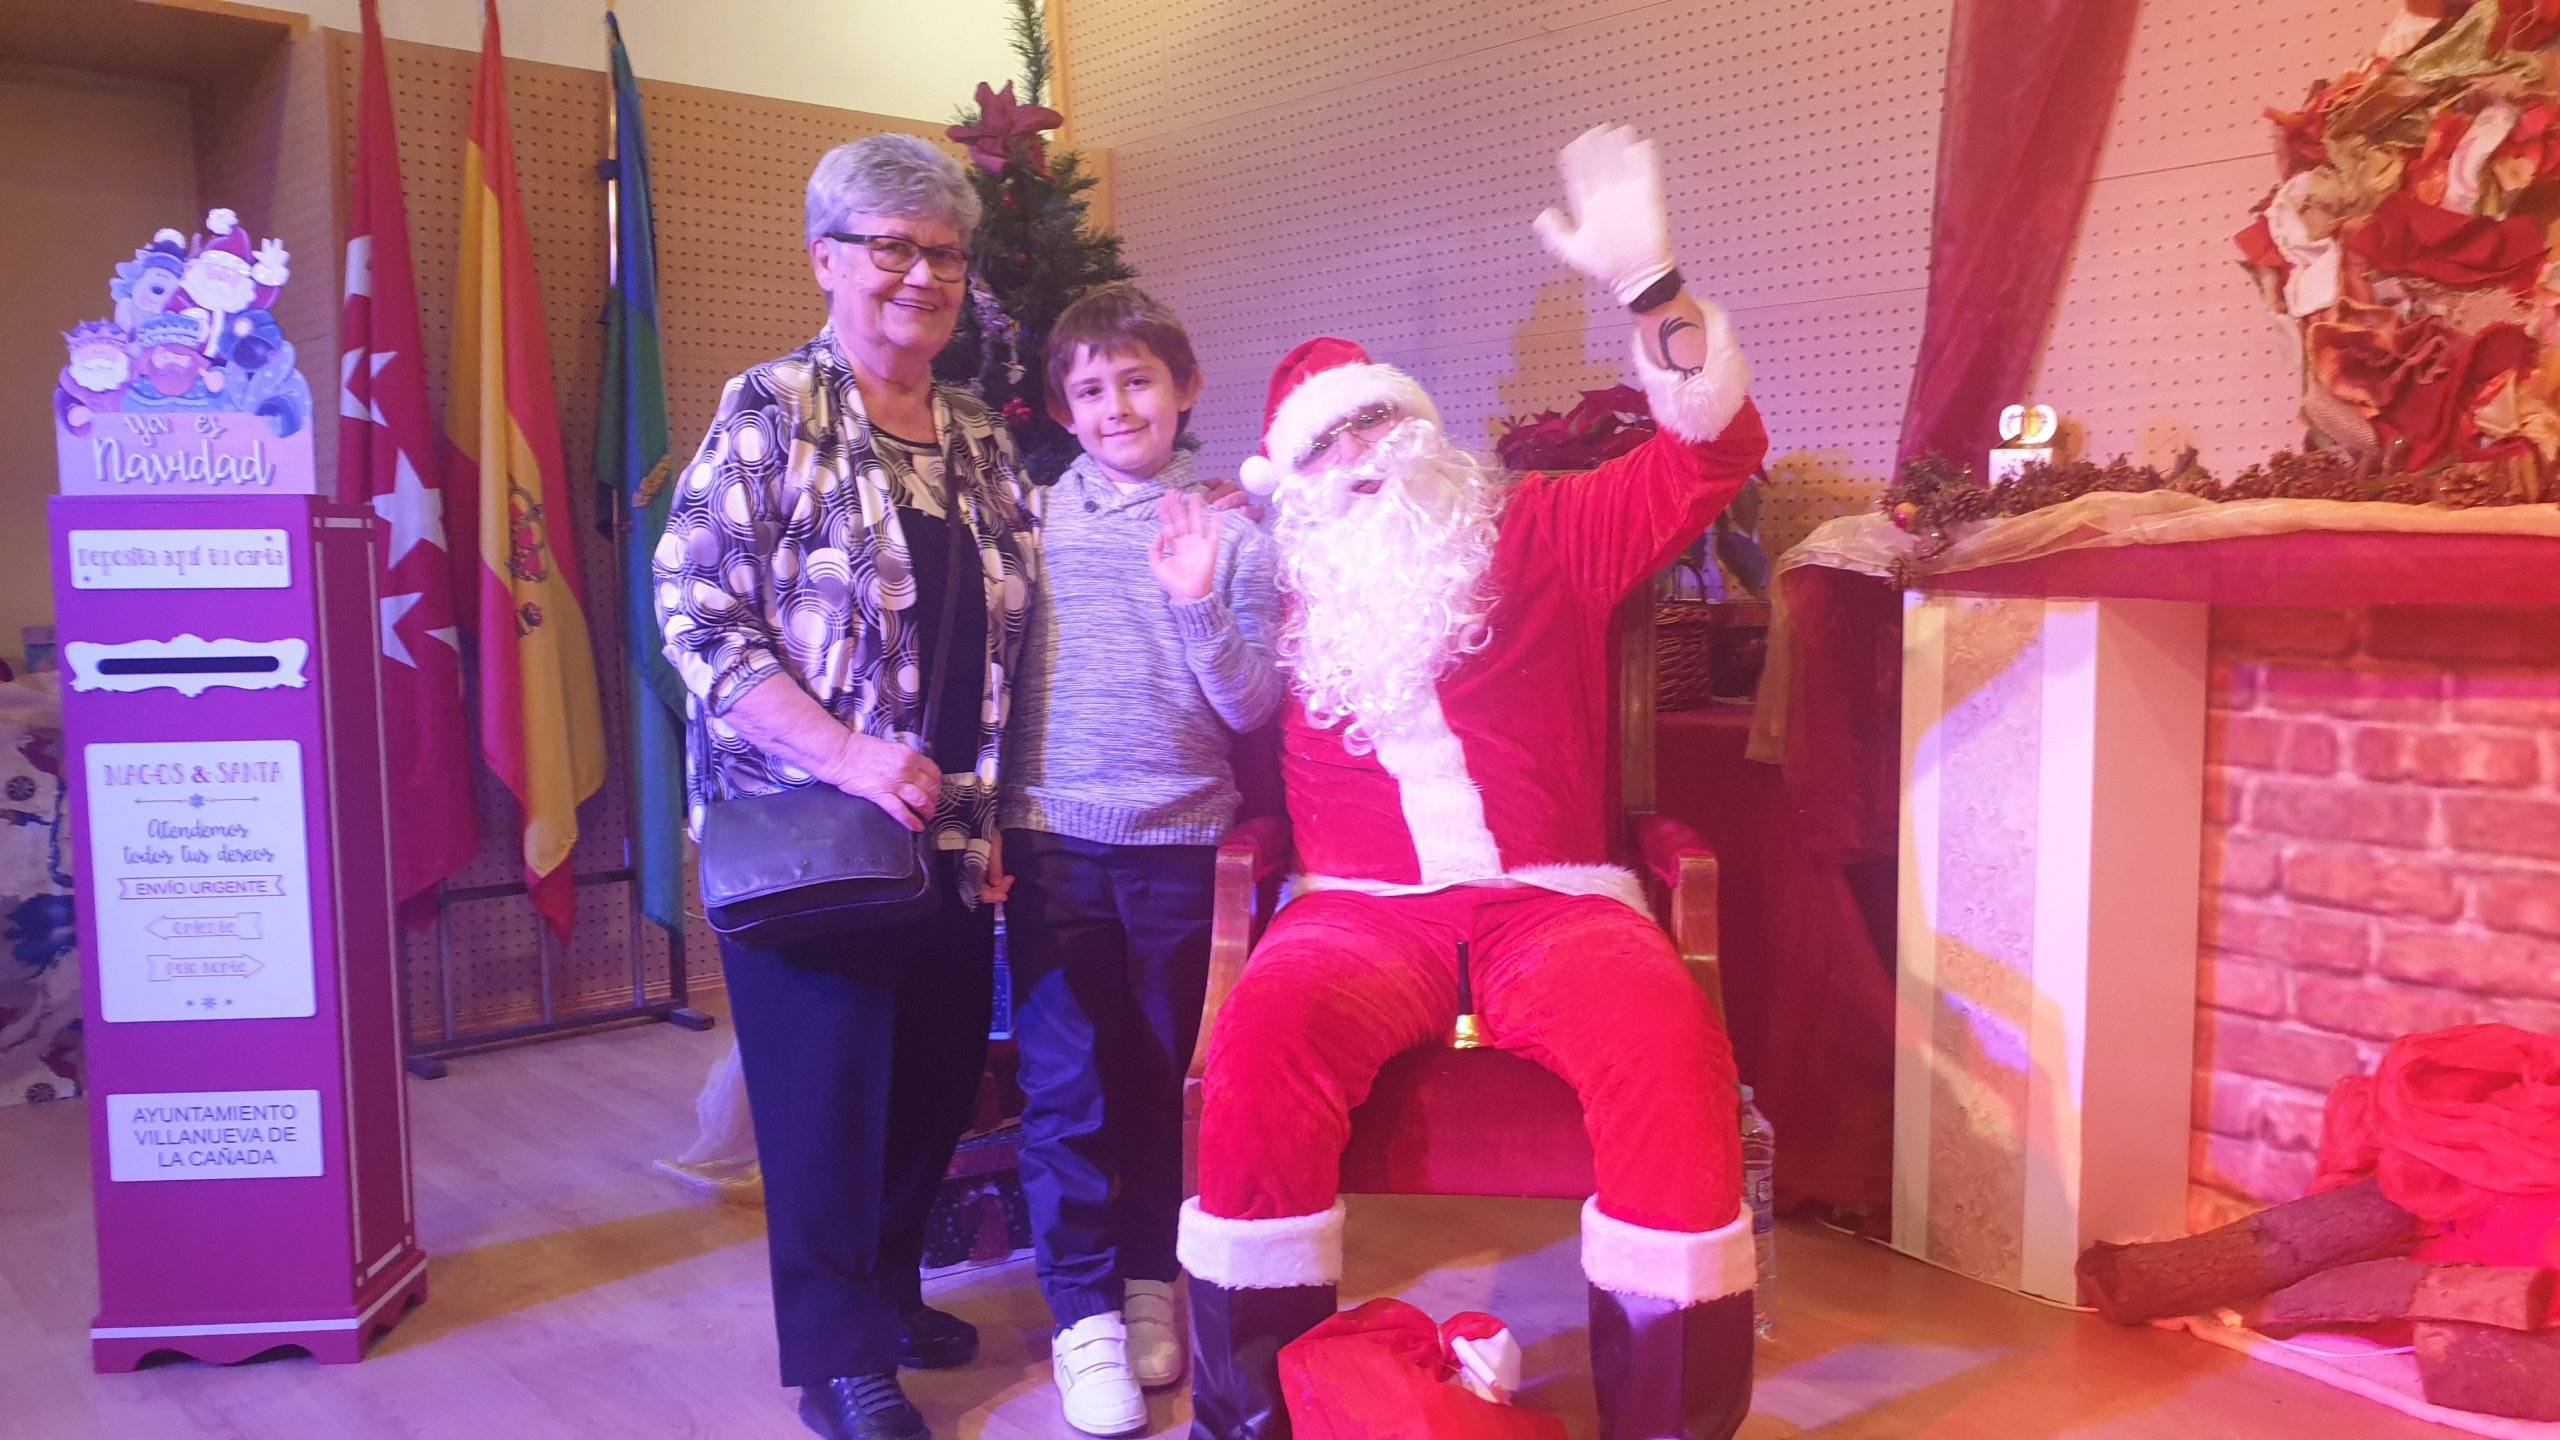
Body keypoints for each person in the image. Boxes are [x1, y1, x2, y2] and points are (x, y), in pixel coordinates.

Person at [1180, 126, 1769, 1440]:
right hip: (1353, 910)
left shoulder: (1542, 526)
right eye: (1329, 446)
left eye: (1384, 419)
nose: (1365, 454)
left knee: (1666, 1046)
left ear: (1428, 425)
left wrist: (1653, 286)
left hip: (1552, 901)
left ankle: (1669, 1422)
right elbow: (1216, 720)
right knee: (1261, 1042)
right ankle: (1256, 1416)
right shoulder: (1285, 594)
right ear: (1298, 487)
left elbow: (1709, 455)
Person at [654, 132, 1035, 1440]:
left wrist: (991, 814)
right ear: (827, 258)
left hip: (946, 830)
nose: (922, 274)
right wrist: (849, 754)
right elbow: (698, 619)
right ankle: (837, 1359)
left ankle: (881, 1292)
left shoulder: (980, 436)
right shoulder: (770, 410)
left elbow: (1016, 636)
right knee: (824, 1096)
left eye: (944, 253)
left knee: (927, 1080)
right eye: (893, 248)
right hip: (812, 824)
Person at [1000, 284, 1285, 1436]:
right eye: (1089, 389)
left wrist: (1198, 602)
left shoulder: (1230, 536)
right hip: (1052, 840)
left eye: (1136, 382)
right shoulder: (1026, 525)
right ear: (1063, 409)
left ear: (1183, 391)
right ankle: (1081, 1318)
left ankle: (1148, 1281)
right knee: (1063, 1085)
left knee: (1164, 1082)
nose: (1115, 406)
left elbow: (1253, 704)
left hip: (1179, 845)